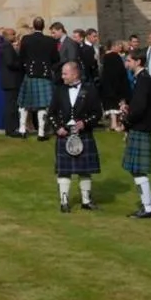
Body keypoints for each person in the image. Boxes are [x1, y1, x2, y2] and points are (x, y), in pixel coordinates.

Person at [48, 61, 103, 212]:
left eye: (65, 74)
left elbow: (97, 113)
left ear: (74, 74)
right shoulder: (59, 90)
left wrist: (85, 123)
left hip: (83, 134)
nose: (62, 76)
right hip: (64, 134)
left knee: (85, 170)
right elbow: (51, 112)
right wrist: (57, 127)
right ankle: (64, 201)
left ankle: (86, 201)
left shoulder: (90, 89)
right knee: (63, 170)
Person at [120, 50, 151, 219]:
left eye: (129, 61)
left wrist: (126, 122)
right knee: (136, 169)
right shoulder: (141, 79)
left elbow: (141, 107)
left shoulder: (143, 80)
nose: (126, 64)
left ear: (138, 61)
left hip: (140, 127)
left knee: (137, 170)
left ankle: (148, 208)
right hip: (139, 126)